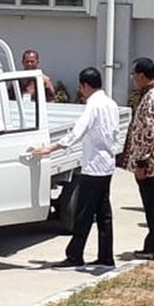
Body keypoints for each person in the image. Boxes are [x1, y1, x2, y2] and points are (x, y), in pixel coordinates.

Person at [34, 67, 120, 268]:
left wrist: (53, 147)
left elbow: (77, 132)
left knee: (84, 213)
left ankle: (75, 254)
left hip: (93, 166)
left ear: (85, 85)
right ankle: (106, 256)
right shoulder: (111, 104)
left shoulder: (93, 106)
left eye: (81, 87)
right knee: (104, 213)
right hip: (106, 164)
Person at [126, 58, 154, 261]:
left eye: (134, 75)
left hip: (152, 165)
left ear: (142, 75)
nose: (133, 79)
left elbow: (150, 132)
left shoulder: (152, 97)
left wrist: (142, 163)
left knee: (153, 208)